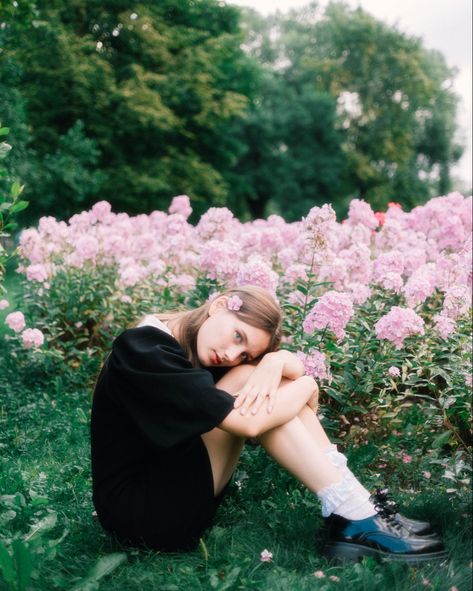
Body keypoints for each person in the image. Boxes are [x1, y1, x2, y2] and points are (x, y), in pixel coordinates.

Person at [90, 286, 446, 562]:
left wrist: (273, 363)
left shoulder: (189, 345)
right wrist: (306, 384)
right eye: (237, 336)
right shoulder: (143, 347)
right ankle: (354, 514)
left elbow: (280, 373)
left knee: (262, 383)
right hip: (143, 512)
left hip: (174, 493)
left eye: (244, 351)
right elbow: (247, 426)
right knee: (255, 389)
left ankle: (357, 508)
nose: (230, 354)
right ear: (219, 305)